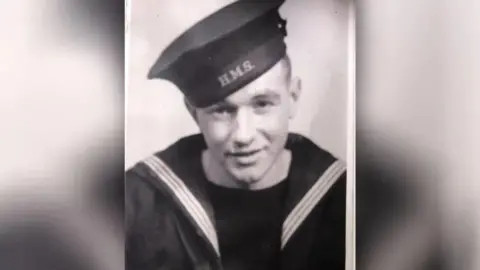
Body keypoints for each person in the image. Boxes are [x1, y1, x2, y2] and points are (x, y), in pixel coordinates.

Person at [126, 1, 347, 269]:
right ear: (194, 114)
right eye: (222, 110)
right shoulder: (139, 202)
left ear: (294, 97)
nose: (243, 135)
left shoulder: (346, 199)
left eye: (262, 104)